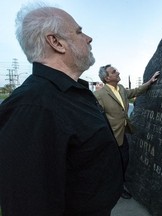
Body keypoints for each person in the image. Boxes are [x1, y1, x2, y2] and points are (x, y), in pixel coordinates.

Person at [0, 3, 123, 216]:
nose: (88, 38)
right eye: (79, 31)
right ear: (56, 42)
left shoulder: (72, 93)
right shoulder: (32, 107)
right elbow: (30, 205)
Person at [94, 65, 160, 199]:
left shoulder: (122, 89)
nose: (118, 72)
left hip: (122, 134)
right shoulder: (99, 95)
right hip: (110, 138)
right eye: (114, 72)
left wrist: (150, 81)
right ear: (107, 78)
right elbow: (95, 117)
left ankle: (118, 184)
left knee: (124, 160)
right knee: (114, 164)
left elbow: (136, 91)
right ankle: (115, 188)